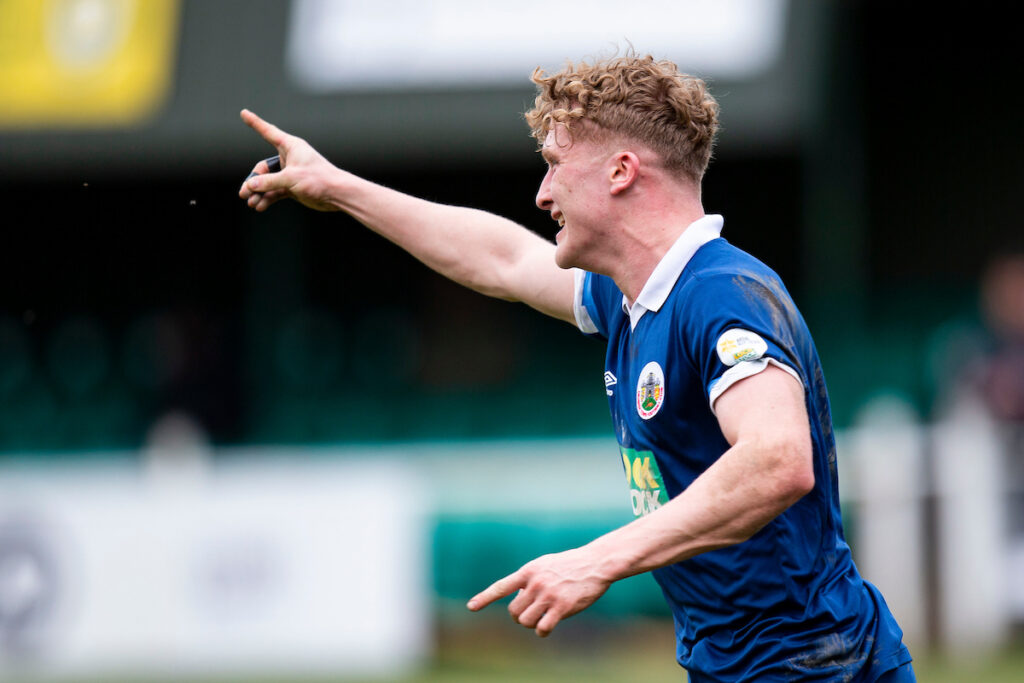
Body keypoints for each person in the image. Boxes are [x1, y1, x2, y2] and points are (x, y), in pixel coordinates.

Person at [239, 52, 915, 682]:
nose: (541, 193)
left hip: (813, 662)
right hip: (752, 660)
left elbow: (778, 459)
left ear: (621, 171)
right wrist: (338, 187)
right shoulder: (634, 300)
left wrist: (598, 558)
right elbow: (502, 259)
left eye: (556, 164)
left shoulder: (719, 294)